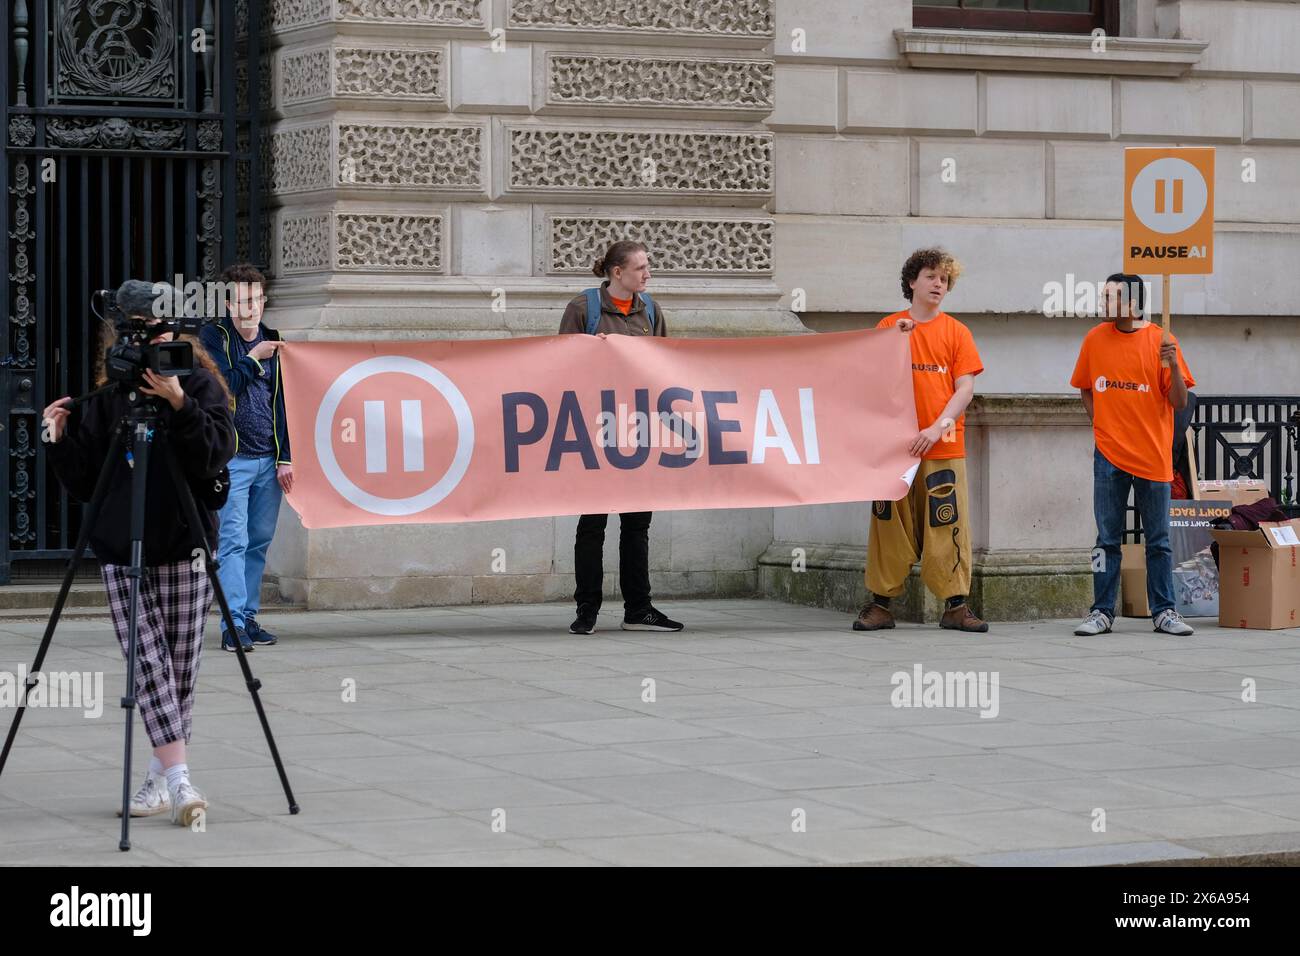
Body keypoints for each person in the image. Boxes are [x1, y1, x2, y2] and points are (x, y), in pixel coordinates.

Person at [41, 284, 236, 826]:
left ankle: (156, 776)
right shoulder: (111, 395)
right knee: (146, 663)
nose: (150, 338)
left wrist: (178, 402)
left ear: (175, 332)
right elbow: (86, 483)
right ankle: (179, 780)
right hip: (120, 546)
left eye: (158, 328)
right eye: (136, 328)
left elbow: (215, 455)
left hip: (184, 545)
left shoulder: (199, 383)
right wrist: (59, 440)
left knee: (179, 669)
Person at [854, 248, 989, 633]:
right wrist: (891, 344)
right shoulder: (889, 327)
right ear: (912, 281)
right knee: (888, 524)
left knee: (948, 524)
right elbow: (866, 379)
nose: (938, 284)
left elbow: (965, 389)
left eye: (944, 279)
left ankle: (956, 607)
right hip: (894, 448)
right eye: (931, 276)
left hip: (944, 444)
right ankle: (880, 605)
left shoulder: (957, 332)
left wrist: (935, 427)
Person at [558, 240, 683, 635]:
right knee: (592, 523)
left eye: (648, 267)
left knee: (637, 523)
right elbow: (560, 366)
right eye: (641, 268)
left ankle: (638, 608)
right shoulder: (584, 309)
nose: (648, 274)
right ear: (617, 272)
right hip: (596, 432)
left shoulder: (652, 310)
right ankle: (587, 609)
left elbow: (665, 364)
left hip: (639, 429)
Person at [1071, 273, 1196, 637]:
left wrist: (1172, 365)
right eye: (1103, 294)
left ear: (1133, 303)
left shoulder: (1162, 340)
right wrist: (1101, 425)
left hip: (1153, 455)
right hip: (1108, 455)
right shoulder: (1094, 339)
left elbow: (1179, 401)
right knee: (1106, 539)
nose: (1103, 302)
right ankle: (1101, 612)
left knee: (1158, 539)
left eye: (1111, 296)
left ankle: (1165, 611)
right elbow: (1085, 388)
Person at [199, 263, 292, 652]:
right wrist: (254, 358)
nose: (249, 307)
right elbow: (224, 389)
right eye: (242, 300)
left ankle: (249, 617)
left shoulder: (275, 339)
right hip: (233, 460)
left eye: (255, 299)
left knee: (258, 542)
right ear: (228, 302)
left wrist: (286, 457)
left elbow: (288, 404)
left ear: (264, 300)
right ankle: (231, 623)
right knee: (233, 542)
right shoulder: (213, 337)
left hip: (269, 462)